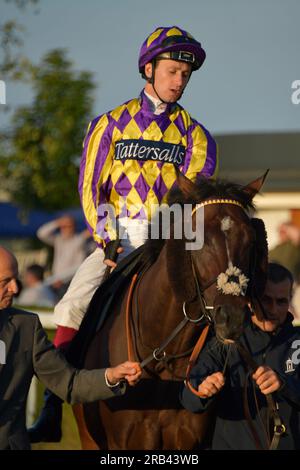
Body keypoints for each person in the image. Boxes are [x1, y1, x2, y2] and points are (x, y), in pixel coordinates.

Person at [30, 25, 218, 441]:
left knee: (221, 303)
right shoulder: (108, 124)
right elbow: (90, 187)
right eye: (172, 71)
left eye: (186, 75)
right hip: (120, 236)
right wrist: (107, 238)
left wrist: (176, 242)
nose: (179, 81)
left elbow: (194, 198)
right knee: (72, 307)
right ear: (148, 69)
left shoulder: (197, 136)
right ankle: (50, 406)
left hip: (170, 238)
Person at [0, 246, 141, 449]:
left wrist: (110, 376)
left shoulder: (26, 327)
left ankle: (50, 413)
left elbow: (69, 383)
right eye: (5, 281)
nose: (15, 288)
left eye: (16, 279)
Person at [181, 263, 300, 450]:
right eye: (266, 300)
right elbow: (188, 397)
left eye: (281, 301)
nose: (273, 309)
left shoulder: (297, 341)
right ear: (251, 300)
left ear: (290, 301)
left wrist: (284, 384)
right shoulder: (227, 340)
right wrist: (202, 390)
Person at [37, 215, 92, 297]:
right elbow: (41, 233)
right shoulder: (58, 239)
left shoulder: (80, 240)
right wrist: (57, 223)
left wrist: (61, 279)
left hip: (71, 281)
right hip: (57, 280)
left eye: (69, 226)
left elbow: (79, 266)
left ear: (74, 227)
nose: (66, 229)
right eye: (63, 226)